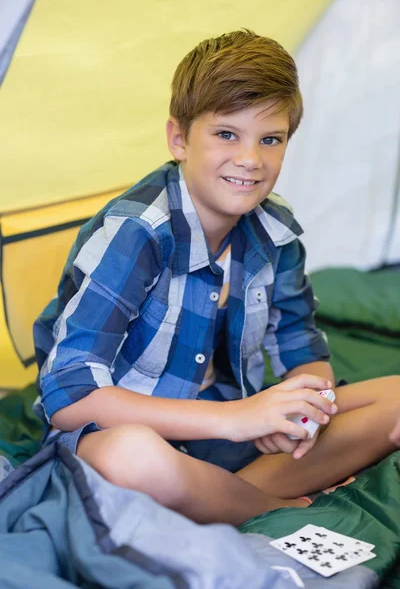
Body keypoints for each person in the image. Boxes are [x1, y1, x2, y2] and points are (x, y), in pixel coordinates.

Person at [33, 30, 400, 527]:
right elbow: (69, 396)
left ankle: (220, 495)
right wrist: (235, 420)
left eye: (270, 139)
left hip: (229, 432)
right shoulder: (137, 233)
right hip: (130, 435)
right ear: (179, 138)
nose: (251, 160)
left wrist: (301, 414)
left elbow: (301, 348)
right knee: (130, 458)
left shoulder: (275, 229)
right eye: (227, 134)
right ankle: (273, 506)